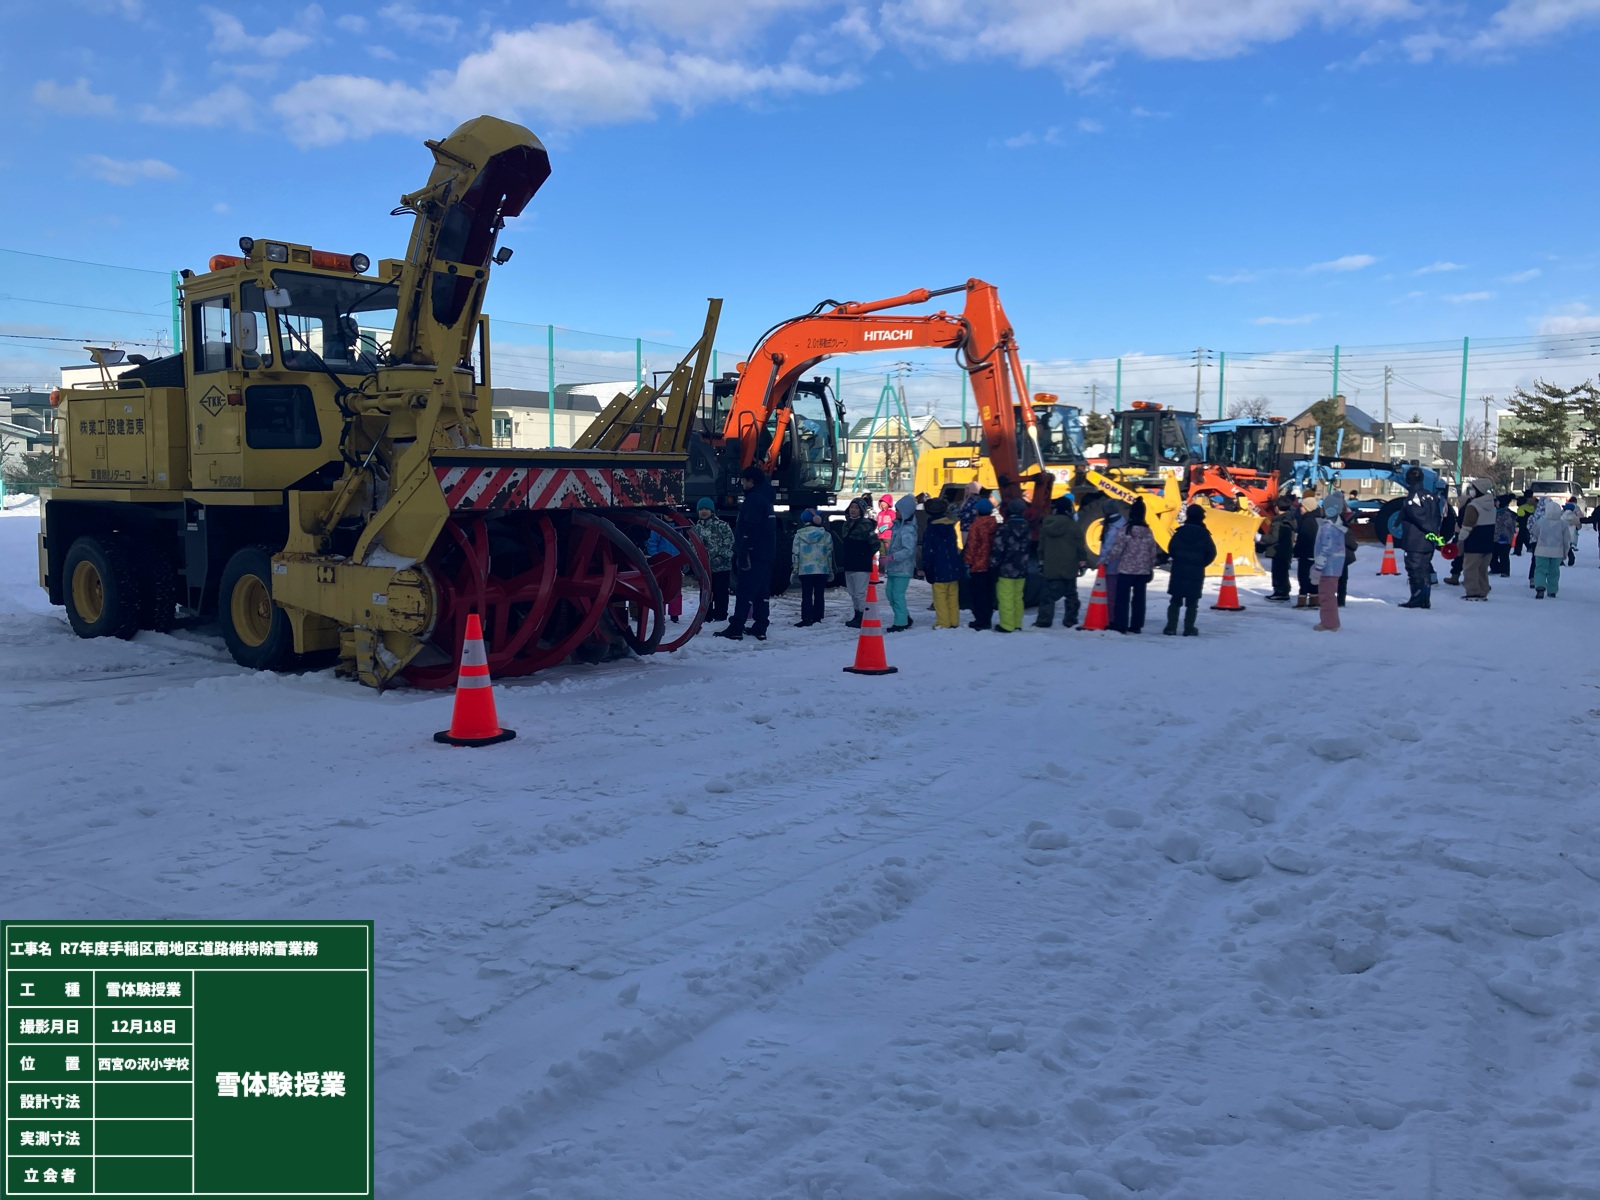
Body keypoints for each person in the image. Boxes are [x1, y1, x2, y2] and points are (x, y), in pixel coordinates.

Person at [714, 465, 776, 641]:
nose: (742, 483)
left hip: (753, 553)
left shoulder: (753, 500)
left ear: (751, 481)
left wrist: (743, 551)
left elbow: (749, 527)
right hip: (766, 553)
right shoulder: (766, 499)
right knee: (762, 592)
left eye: (744, 480)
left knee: (745, 591)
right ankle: (760, 626)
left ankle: (736, 627)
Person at [1163, 504, 1216, 636]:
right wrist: (1200, 564)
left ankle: (1171, 627)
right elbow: (1212, 553)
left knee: (1175, 600)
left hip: (1178, 570)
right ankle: (1189, 628)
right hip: (1195, 573)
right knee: (1192, 603)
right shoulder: (1204, 535)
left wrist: (1179, 560)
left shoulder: (1179, 533)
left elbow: (1171, 549)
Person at [1036, 494, 1088, 628]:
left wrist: (1041, 562)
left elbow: (1041, 547)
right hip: (1070, 565)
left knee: (1047, 595)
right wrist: (1082, 562)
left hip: (1050, 564)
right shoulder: (1073, 526)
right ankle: (1070, 620)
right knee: (1071, 594)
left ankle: (1044, 620)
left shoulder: (1046, 525)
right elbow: (1079, 547)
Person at [1107, 498, 1156, 633]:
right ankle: (1136, 625)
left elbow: (1117, 550)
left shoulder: (1126, 530)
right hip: (1143, 572)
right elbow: (1152, 552)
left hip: (1126, 570)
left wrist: (1106, 560)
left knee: (1122, 599)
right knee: (1139, 600)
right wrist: (1150, 567)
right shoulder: (1148, 531)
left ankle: (1121, 624)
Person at [1397, 466, 1443, 609]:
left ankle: (1417, 598)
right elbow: (1437, 516)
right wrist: (1435, 533)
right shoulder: (1431, 496)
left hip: (1415, 540)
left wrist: (1430, 529)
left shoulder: (1412, 498)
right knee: (1424, 569)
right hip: (1429, 541)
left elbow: (1419, 517)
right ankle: (1425, 599)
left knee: (1414, 569)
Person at [921, 498, 963, 628]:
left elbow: (927, 551)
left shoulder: (931, 529)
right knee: (953, 596)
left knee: (940, 597)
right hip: (953, 567)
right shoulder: (951, 527)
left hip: (938, 568)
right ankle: (954, 620)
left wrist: (927, 568)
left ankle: (943, 622)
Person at [837, 500, 880, 628]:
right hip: (849, 562)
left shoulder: (865, 525)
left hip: (861, 563)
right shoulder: (846, 524)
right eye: (852, 507)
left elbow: (875, 544)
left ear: (861, 510)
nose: (853, 510)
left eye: (856, 508)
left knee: (860, 592)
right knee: (852, 591)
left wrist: (864, 554)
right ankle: (857, 614)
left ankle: (862, 615)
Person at [790, 509, 835, 627]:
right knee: (819, 595)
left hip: (805, 570)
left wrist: (795, 570)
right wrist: (830, 570)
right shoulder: (826, 535)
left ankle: (806, 618)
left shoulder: (799, 535)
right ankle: (818, 617)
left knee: (806, 595)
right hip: (822, 570)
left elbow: (796, 554)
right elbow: (829, 554)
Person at [692, 497, 734, 622]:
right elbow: (692, 545)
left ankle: (721, 615)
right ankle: (706, 615)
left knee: (720, 592)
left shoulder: (722, 526)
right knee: (705, 591)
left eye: (706, 509)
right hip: (704, 568)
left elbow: (729, 544)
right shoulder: (695, 529)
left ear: (712, 511)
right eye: (701, 509)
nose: (703, 512)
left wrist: (719, 559)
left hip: (721, 567)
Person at [993, 498, 1032, 632]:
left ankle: (1007, 625)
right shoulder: (1027, 527)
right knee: (1018, 597)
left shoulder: (1005, 527)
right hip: (1022, 568)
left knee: (1006, 597)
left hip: (1006, 569)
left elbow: (998, 548)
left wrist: (993, 564)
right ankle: (1017, 623)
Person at [1454, 477, 1495, 601]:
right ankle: (1483, 590)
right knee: (1482, 569)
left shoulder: (1473, 506)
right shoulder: (1491, 504)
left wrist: (1460, 540)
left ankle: (1472, 592)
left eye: (1473, 488)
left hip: (1473, 542)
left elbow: (1467, 525)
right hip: (1488, 542)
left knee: (1470, 568)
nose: (1471, 491)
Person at [1312, 493, 1349, 631]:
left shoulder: (1328, 528)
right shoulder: (1336, 526)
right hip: (1334, 567)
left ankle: (1329, 623)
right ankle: (1331, 621)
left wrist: (1318, 567)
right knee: (1329, 595)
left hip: (1329, 567)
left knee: (1326, 596)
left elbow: (1325, 549)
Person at [883, 494, 918, 631]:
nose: (895, 512)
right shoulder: (898, 526)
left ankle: (900, 623)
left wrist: (892, 557)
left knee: (897, 595)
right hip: (894, 568)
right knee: (890, 594)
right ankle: (904, 617)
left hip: (903, 569)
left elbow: (908, 550)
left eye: (898, 510)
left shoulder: (908, 530)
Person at [963, 497, 998, 630]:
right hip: (991, 565)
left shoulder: (976, 525)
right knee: (988, 594)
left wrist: (967, 563)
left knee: (978, 595)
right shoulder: (994, 523)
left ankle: (980, 620)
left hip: (977, 566)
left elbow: (971, 546)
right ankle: (987, 618)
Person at [1532, 499, 1574, 598]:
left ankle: (1540, 586)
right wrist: (1565, 552)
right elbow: (1566, 540)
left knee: (1540, 569)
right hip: (1557, 552)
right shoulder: (1562, 524)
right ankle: (1552, 590)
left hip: (1541, 551)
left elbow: (1535, 533)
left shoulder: (1541, 522)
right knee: (1554, 572)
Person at [1260, 500, 1296, 601]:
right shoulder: (1290, 519)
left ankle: (1280, 591)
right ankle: (1282, 590)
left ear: (1277, 508)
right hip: (1285, 550)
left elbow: (1274, 537)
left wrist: (1261, 538)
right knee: (1282, 571)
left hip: (1279, 551)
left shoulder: (1280, 521)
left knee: (1278, 571)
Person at [1294, 496, 1320, 609]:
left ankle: (1302, 600)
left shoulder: (1308, 521)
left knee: (1303, 577)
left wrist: (1296, 551)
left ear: (1308, 508)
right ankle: (1314, 599)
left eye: (1302, 506)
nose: (1301, 509)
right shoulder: (1319, 519)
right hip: (1317, 554)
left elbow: (1303, 539)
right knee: (1314, 578)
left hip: (1307, 554)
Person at [1492, 495, 1516, 577]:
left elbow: (1510, 526)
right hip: (1495, 537)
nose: (1496, 503)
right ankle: (1495, 569)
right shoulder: (1496, 512)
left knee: (1504, 556)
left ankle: (1505, 571)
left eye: (1497, 501)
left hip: (1504, 538)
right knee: (1493, 555)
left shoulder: (1507, 514)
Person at [1563, 501, 1581, 566]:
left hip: (1563, 535)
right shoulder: (1574, 517)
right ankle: (1571, 558)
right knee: (1568, 547)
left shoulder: (1562, 516)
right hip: (1571, 536)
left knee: (1562, 548)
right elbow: (1579, 526)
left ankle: (1561, 561)